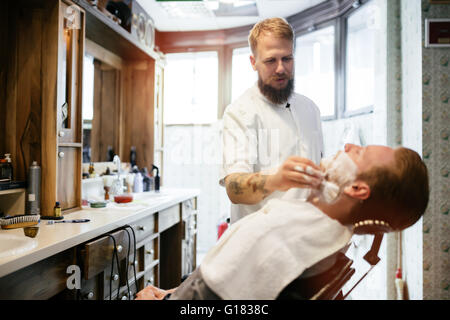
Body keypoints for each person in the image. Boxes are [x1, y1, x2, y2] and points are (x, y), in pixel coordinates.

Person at [136, 144, 429, 300]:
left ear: (356, 189)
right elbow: (232, 280)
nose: (350, 145)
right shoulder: (323, 231)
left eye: (360, 152)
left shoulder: (297, 241)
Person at [221, 17, 325, 223]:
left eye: (287, 59)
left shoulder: (310, 109)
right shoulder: (240, 112)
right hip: (261, 242)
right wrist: (277, 180)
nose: (280, 68)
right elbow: (234, 188)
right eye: (270, 60)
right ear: (253, 62)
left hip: (308, 237)